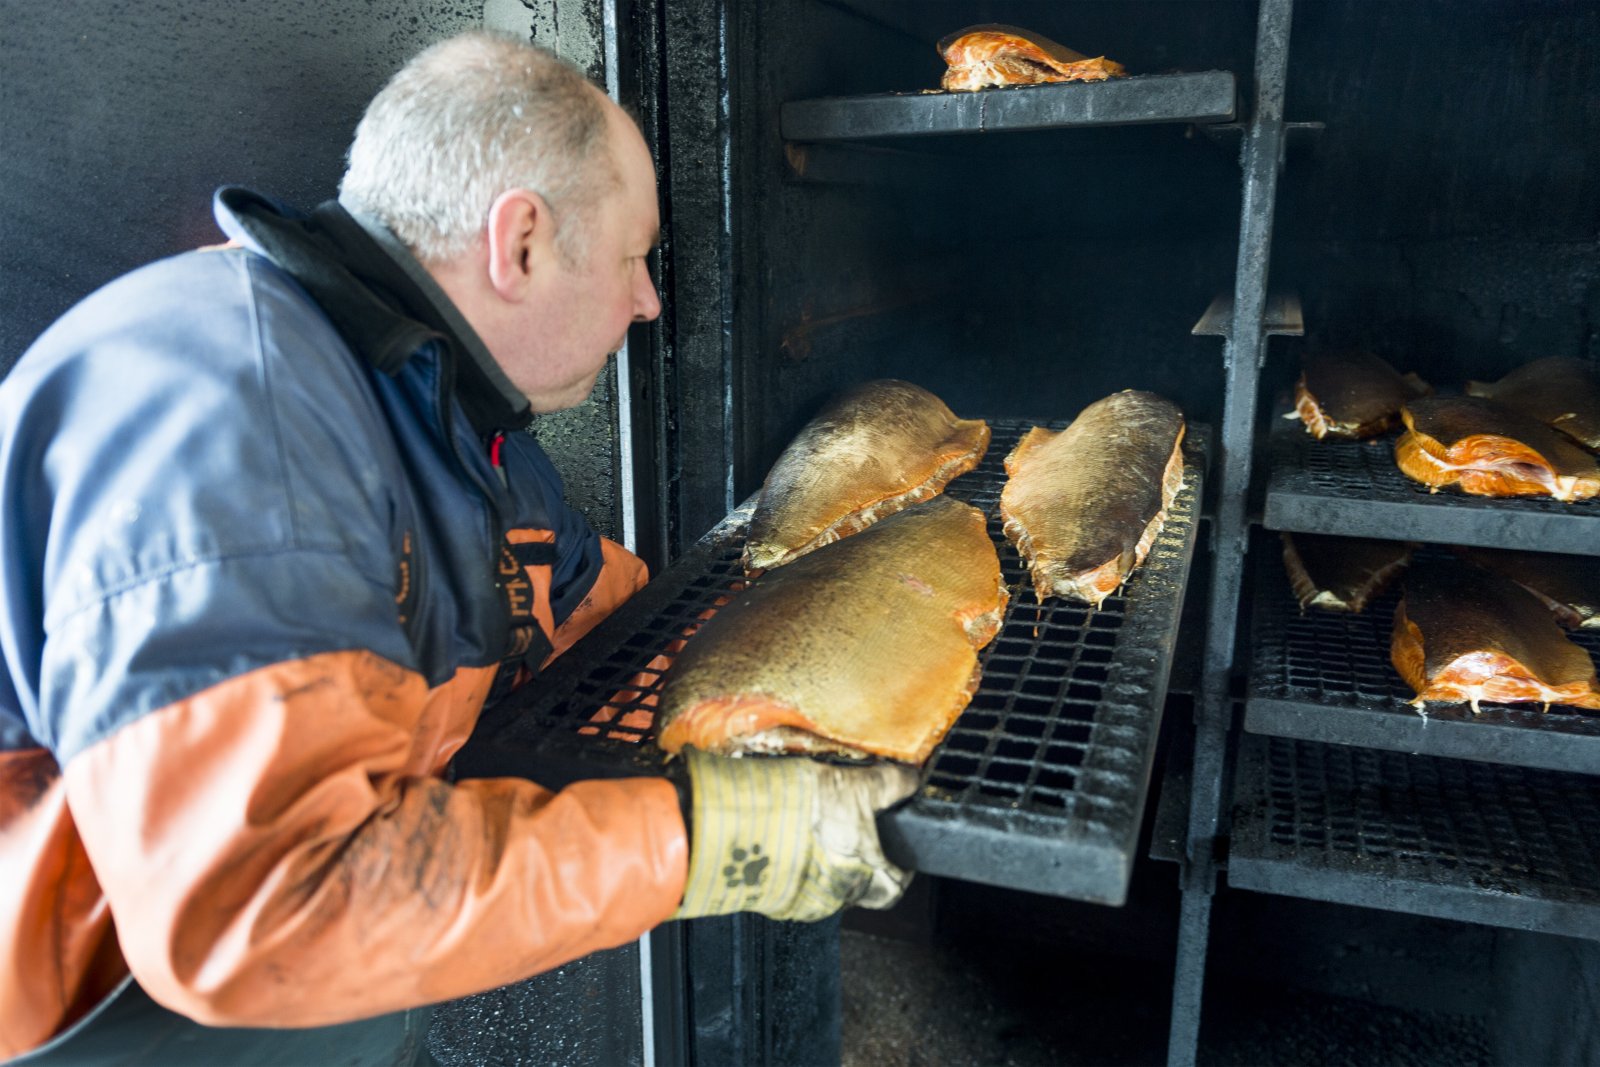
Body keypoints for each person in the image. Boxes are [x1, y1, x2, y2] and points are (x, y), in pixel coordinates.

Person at [0, 31, 916, 1066]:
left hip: (330, 1005)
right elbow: (265, 909)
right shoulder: (236, 419)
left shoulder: (439, 423)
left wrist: (849, 620)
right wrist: (708, 840)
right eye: (632, 257)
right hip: (102, 1017)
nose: (650, 301)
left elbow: (601, 620)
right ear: (519, 240)